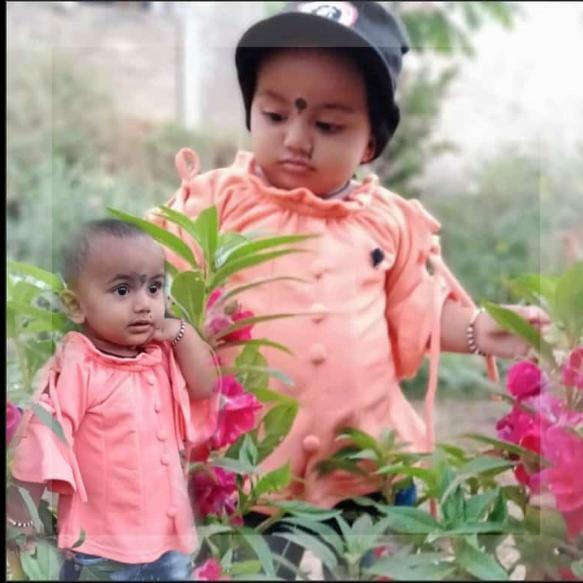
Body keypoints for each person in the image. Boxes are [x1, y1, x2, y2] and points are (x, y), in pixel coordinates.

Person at [149, 1, 549, 577]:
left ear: (369, 145)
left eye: (328, 126)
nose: (296, 138)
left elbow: (415, 312)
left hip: (367, 470)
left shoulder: (387, 222)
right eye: (274, 114)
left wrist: (480, 329)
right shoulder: (214, 205)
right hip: (249, 472)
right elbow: (154, 284)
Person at [7, 219, 220, 581]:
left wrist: (181, 332)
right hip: (100, 552)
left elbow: (205, 385)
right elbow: (43, 434)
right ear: (75, 306)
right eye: (122, 290)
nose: (144, 304)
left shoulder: (160, 355)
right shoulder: (78, 366)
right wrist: (20, 514)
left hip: (167, 541)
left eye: (154, 288)